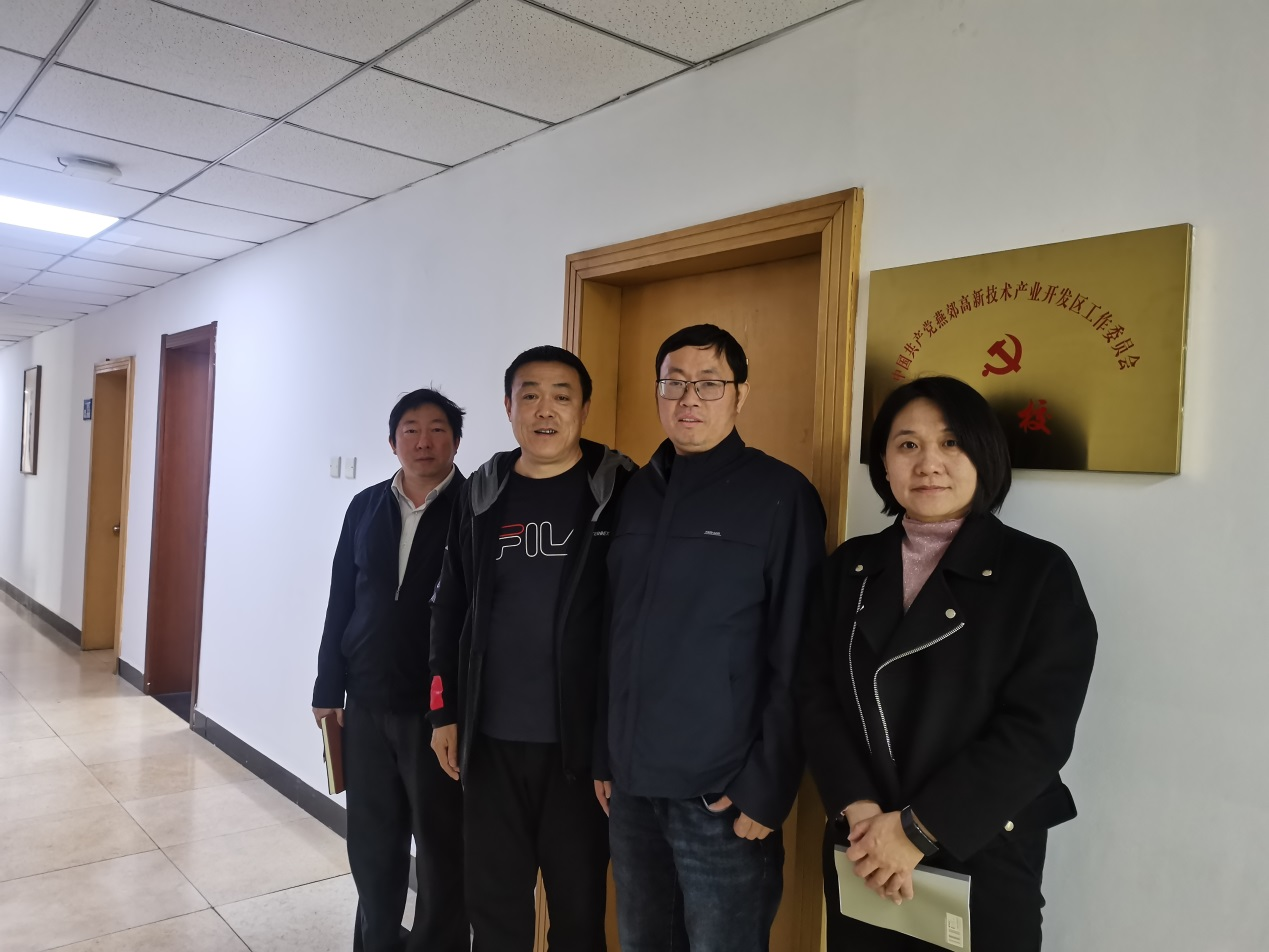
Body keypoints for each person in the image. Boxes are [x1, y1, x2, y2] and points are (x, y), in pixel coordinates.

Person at [797, 375, 1098, 951]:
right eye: (907, 444)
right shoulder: (850, 567)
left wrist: (915, 830)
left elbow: (1037, 731)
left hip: (979, 840)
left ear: (984, 454)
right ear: (884, 463)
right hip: (863, 843)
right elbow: (816, 696)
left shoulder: (1038, 572)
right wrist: (861, 811)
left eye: (951, 442)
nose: (928, 463)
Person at [598, 323, 826, 952]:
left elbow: (799, 651)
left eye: (709, 383)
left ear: (740, 394)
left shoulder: (781, 495)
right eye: (673, 383)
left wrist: (768, 784)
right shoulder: (633, 492)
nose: (688, 398)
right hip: (631, 787)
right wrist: (601, 754)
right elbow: (611, 631)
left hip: (722, 794)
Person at [429, 345, 634, 952]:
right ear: (508, 406)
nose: (546, 410)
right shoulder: (483, 491)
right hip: (490, 743)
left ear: (584, 408)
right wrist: (443, 709)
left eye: (562, 396)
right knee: (494, 907)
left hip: (580, 751)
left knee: (579, 911)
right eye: (530, 395)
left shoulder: (621, 489)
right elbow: (450, 605)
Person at [312, 389, 469, 952]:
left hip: (437, 714)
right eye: (411, 429)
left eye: (437, 429)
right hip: (366, 702)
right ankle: (375, 941)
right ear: (392, 441)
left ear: (456, 441)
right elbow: (341, 598)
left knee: (442, 848)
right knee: (372, 844)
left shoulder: (475, 509)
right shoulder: (365, 506)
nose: (424, 441)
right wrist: (328, 686)